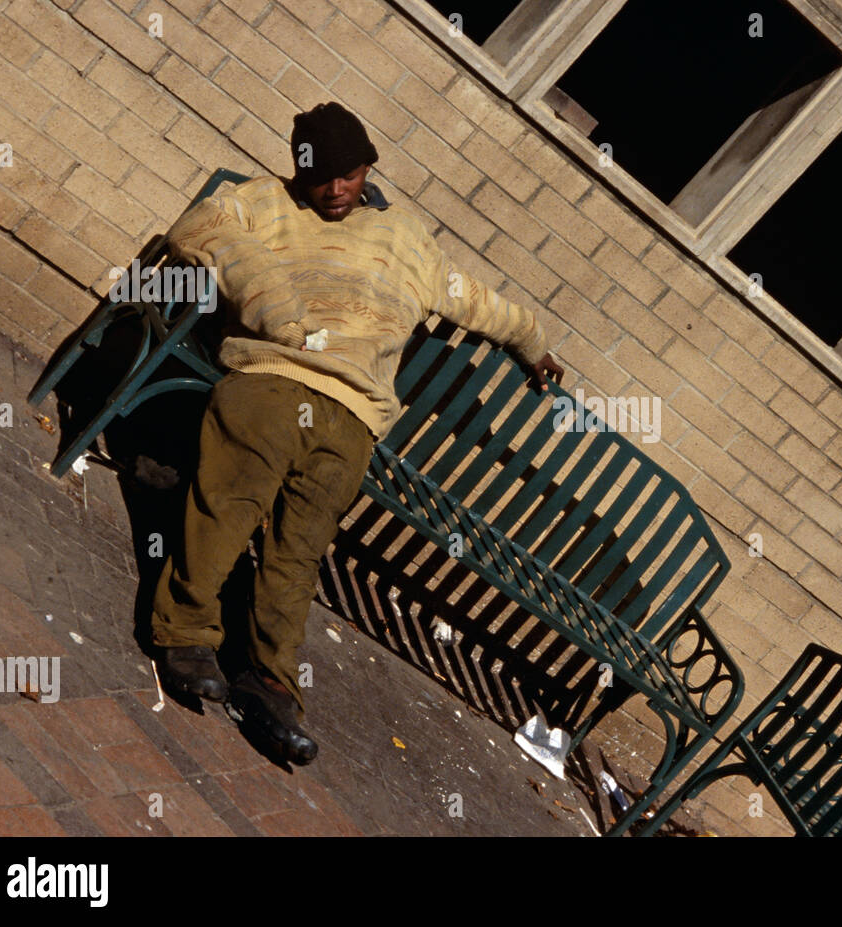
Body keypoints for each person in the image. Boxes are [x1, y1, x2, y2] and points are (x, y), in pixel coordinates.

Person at [149, 102, 564, 764]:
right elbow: (199, 228)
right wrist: (270, 300)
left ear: (368, 167)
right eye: (319, 177)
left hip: (352, 413)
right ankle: (186, 631)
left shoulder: (407, 239)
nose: (333, 189)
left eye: (346, 175)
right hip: (274, 375)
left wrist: (532, 342)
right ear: (298, 170)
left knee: (299, 547)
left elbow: (477, 300)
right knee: (232, 499)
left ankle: (272, 682)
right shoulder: (267, 202)